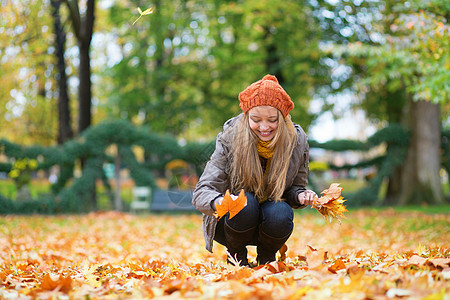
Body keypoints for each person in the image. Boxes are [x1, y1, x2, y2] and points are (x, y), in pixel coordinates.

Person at [192, 74, 317, 266]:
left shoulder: (296, 141)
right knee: (245, 202)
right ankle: (236, 257)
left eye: (272, 120)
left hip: (269, 224)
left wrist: (301, 196)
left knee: (280, 210)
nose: (264, 127)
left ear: (282, 119)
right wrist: (222, 201)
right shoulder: (230, 138)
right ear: (247, 117)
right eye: (256, 119)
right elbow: (201, 192)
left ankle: (267, 259)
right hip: (231, 224)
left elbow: (294, 189)